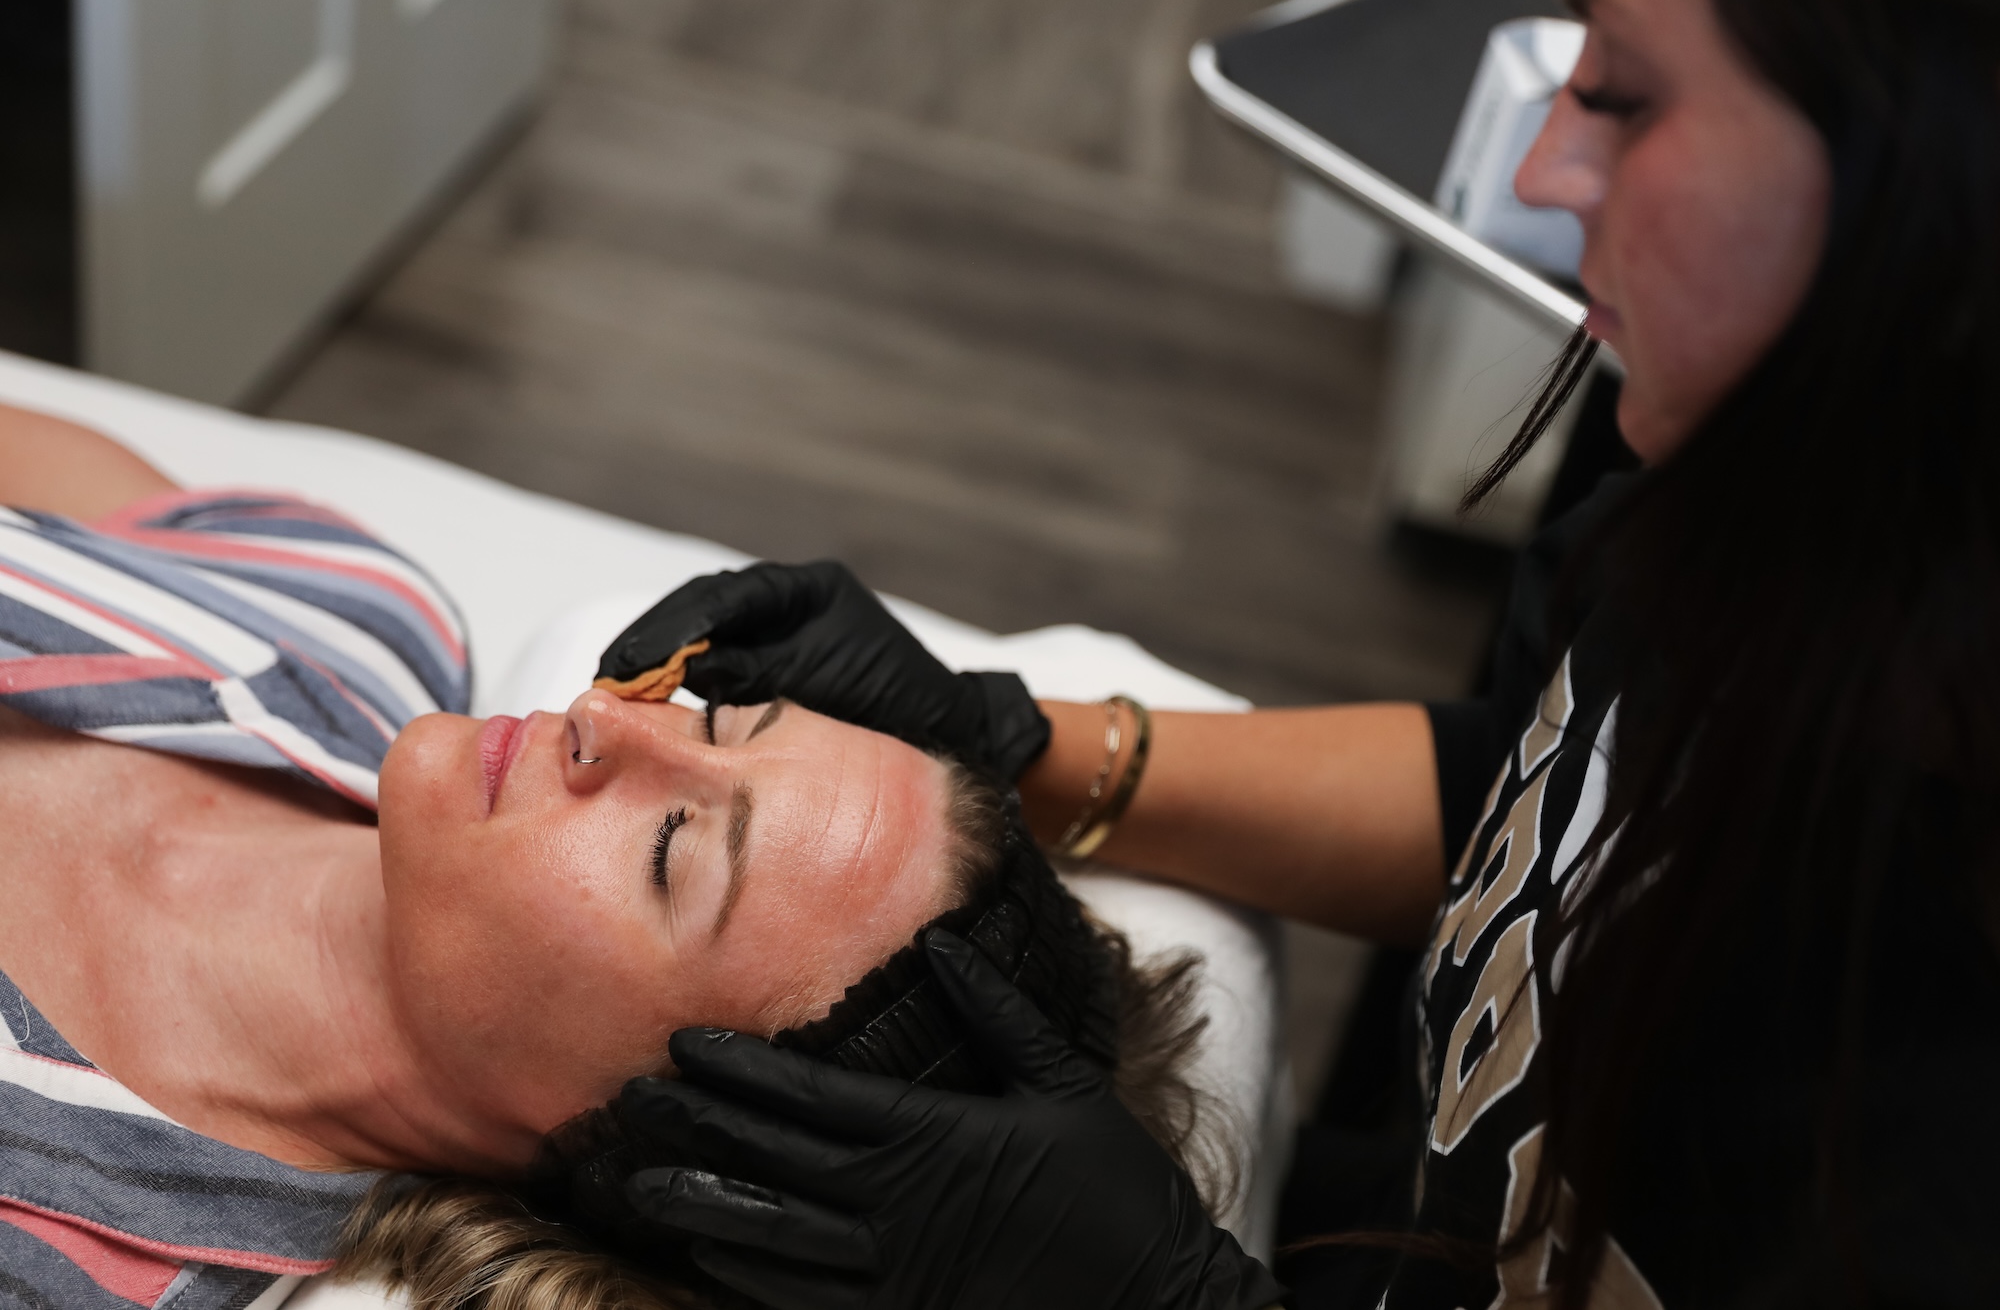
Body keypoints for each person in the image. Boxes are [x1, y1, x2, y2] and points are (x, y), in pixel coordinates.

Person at [590, 0, 2000, 1306]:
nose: (1539, 172)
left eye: (1623, 93)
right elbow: (1541, 790)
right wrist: (1021, 743)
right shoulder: (1770, 505)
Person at [0, 404, 1231, 1310]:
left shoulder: (69, 1262)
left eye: (669, 849)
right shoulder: (350, 610)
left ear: (676, 1154)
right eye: (720, 722)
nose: (607, 719)